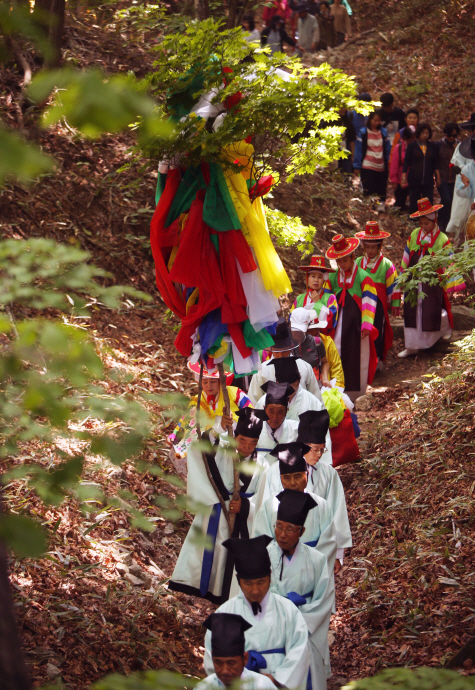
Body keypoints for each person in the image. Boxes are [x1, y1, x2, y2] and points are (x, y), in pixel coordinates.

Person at [168, 407, 269, 603]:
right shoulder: (224, 450)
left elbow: (264, 497)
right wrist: (217, 429)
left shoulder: (263, 465)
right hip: (217, 511)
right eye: (242, 441)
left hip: (243, 520)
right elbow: (202, 448)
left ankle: (231, 600)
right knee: (213, 556)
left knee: (233, 565)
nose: (247, 447)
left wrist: (245, 506)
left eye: (252, 443)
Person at [204, 536, 310, 690]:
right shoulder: (225, 612)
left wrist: (276, 679)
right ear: (238, 580)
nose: (255, 590)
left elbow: (300, 649)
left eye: (261, 582)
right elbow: (212, 657)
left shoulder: (287, 610)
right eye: (248, 583)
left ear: (270, 576)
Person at [259, 411, 351, 563]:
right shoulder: (276, 471)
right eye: (316, 449)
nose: (320, 454)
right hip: (280, 549)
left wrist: (337, 554)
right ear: (303, 447)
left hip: (318, 551)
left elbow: (337, 511)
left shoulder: (328, 474)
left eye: (323, 449)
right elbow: (266, 511)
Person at [268, 490, 334, 690]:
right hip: (271, 629)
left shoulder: (317, 560)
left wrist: (298, 624)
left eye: (290, 529)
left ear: (302, 531)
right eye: (279, 527)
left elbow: (323, 599)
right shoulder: (262, 555)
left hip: (305, 629)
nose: (282, 534)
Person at [398, 198, 465, 358]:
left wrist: (449, 285)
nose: (423, 227)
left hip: (432, 281)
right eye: (420, 223)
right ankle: (412, 346)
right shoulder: (414, 235)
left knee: (431, 309)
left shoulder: (441, 239)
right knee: (411, 309)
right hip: (413, 281)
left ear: (434, 220)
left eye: (426, 223)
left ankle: (442, 331)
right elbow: (406, 256)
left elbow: (449, 261)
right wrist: (402, 277)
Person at [253, 443, 337, 571]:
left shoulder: (322, 506)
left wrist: (307, 569)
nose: (292, 483)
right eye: (286, 478)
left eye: (297, 476)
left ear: (307, 474)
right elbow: (261, 542)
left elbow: (328, 544)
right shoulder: (270, 507)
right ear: (281, 479)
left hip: (311, 572)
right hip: (278, 572)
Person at [168, 362, 252, 469]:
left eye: (212, 381)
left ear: (220, 381)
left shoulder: (235, 393)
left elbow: (251, 413)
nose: (209, 385)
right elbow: (186, 420)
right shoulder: (198, 400)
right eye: (205, 382)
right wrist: (175, 433)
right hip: (208, 441)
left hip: (234, 439)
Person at [326, 234, 378, 401]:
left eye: (345, 260)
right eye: (338, 261)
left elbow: (369, 300)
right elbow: (326, 298)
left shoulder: (363, 277)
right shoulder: (333, 277)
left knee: (357, 355)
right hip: (336, 324)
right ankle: (335, 390)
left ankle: (356, 393)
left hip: (356, 326)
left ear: (353, 257)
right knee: (336, 354)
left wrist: (367, 324)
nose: (341, 264)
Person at [254, 358, 333, 465]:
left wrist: (323, 467)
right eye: (284, 387)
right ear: (277, 382)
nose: (289, 392)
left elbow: (323, 437)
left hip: (302, 465)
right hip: (268, 463)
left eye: (293, 387)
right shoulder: (264, 402)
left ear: (299, 381)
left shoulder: (312, 402)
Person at [355, 221, 400, 366]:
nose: (370, 251)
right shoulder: (357, 262)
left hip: (378, 305)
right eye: (367, 247)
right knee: (359, 329)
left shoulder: (386, 264)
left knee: (378, 330)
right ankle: (361, 359)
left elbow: (394, 284)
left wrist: (394, 303)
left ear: (379, 246)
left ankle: (378, 358)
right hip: (360, 303)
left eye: (373, 247)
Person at [248, 319, 322, 405]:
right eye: (276, 351)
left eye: (284, 351)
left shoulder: (305, 367)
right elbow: (253, 404)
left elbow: (317, 401)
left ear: (291, 346)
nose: (280, 355)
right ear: (271, 348)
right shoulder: (261, 372)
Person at [199, 613, 276, 690]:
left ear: (245, 659)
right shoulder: (204, 687)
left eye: (231, 663)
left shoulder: (263, 685)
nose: (225, 671)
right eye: (219, 663)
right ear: (212, 658)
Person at [353, 111, 391, 211]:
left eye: (379, 120)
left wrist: (389, 163)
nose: (377, 122)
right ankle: (369, 207)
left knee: (381, 186)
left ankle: (380, 205)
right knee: (369, 187)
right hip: (367, 164)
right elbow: (359, 149)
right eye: (375, 120)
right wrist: (357, 166)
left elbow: (387, 149)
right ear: (370, 120)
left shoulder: (383, 132)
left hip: (381, 165)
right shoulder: (363, 132)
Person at [254, 381, 299, 465]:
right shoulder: (253, 430)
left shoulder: (296, 430)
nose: (275, 417)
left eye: (280, 412)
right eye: (271, 411)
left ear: (287, 411)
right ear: (264, 409)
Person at [447, 113, 475, 244]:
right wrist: (467, 171)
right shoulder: (463, 146)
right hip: (466, 183)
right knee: (465, 220)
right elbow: (456, 162)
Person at [401, 122, 440, 216]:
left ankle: (428, 222)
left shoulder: (432, 146)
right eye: (423, 133)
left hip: (428, 179)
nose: (425, 135)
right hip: (414, 179)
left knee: (428, 203)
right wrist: (403, 177)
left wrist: (438, 178)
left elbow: (435, 163)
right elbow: (406, 162)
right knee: (414, 202)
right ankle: (414, 223)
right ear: (418, 133)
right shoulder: (412, 146)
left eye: (427, 133)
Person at [294, 255, 338, 334]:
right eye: (313, 276)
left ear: (324, 280)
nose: (316, 280)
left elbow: (332, 322)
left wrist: (318, 303)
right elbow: (292, 320)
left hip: (323, 341)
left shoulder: (331, 298)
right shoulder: (299, 299)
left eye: (320, 277)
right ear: (307, 278)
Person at [435, 123, 461, 231]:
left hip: (455, 179)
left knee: (452, 202)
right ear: (445, 134)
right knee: (446, 199)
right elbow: (435, 162)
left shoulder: (459, 145)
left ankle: (446, 223)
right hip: (443, 177)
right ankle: (440, 220)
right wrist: (437, 177)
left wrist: (457, 150)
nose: (452, 138)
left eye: (454, 136)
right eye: (450, 135)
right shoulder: (439, 145)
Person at [289, 308, 328, 373]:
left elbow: (325, 362)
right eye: (296, 329)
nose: (298, 332)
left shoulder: (317, 342)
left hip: (313, 381)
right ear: (290, 326)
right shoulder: (284, 344)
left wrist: (324, 378)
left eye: (301, 329)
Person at [389, 125, 416, 212]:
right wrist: (394, 180)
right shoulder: (399, 148)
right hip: (402, 180)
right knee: (400, 204)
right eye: (411, 138)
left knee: (414, 203)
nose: (413, 139)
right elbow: (394, 165)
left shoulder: (417, 147)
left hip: (414, 180)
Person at [337, 106, 357, 174]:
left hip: (345, 153)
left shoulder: (347, 122)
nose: (344, 109)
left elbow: (352, 140)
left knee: (347, 174)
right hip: (333, 155)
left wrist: (353, 155)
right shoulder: (327, 123)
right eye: (342, 107)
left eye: (344, 107)